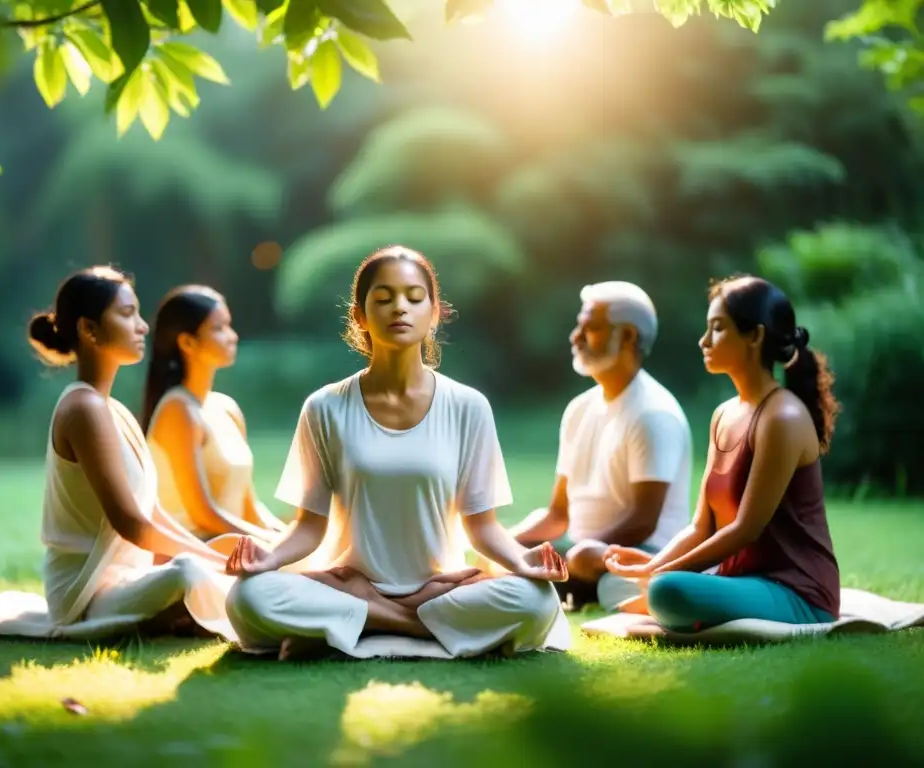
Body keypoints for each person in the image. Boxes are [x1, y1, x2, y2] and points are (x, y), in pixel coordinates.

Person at [224, 246, 572, 661]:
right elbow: (308, 527)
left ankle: (355, 623)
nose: (399, 308)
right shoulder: (325, 406)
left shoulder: (468, 406)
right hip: (346, 582)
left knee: (537, 600)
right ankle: (412, 625)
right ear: (360, 315)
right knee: (249, 596)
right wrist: (270, 557)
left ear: (434, 311)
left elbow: (483, 527)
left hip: (441, 589)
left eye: (413, 296)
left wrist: (523, 561)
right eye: (384, 298)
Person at [0, 266, 239, 641]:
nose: (143, 326)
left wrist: (213, 554)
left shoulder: (114, 411)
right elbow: (131, 523)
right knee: (190, 572)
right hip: (86, 594)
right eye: (128, 314)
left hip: (128, 580)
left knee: (203, 560)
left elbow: (152, 511)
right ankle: (192, 613)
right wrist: (210, 560)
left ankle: (187, 613)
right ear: (89, 329)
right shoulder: (83, 408)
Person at [605, 275, 841, 632]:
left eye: (717, 328)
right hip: (742, 579)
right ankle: (670, 595)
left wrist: (660, 573)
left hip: (797, 590)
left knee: (668, 590)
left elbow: (745, 529)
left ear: (755, 336)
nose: (704, 340)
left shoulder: (783, 417)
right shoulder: (724, 415)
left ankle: (668, 598)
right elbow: (701, 525)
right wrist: (651, 567)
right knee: (658, 584)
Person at [508, 281, 692, 613]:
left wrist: (570, 553)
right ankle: (563, 583)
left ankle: (570, 586)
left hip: (640, 553)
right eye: (579, 326)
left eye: (591, 327)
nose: (575, 336)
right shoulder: (579, 409)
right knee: (506, 557)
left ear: (628, 337)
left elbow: (643, 521)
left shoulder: (654, 414)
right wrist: (504, 543)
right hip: (582, 554)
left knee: (580, 561)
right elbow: (557, 514)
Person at [141, 285, 288, 545]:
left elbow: (250, 507)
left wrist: (288, 539)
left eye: (229, 326)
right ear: (187, 342)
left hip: (238, 546)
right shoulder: (178, 410)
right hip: (199, 553)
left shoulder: (226, 408)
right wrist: (273, 545)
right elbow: (203, 515)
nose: (232, 336)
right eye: (219, 329)